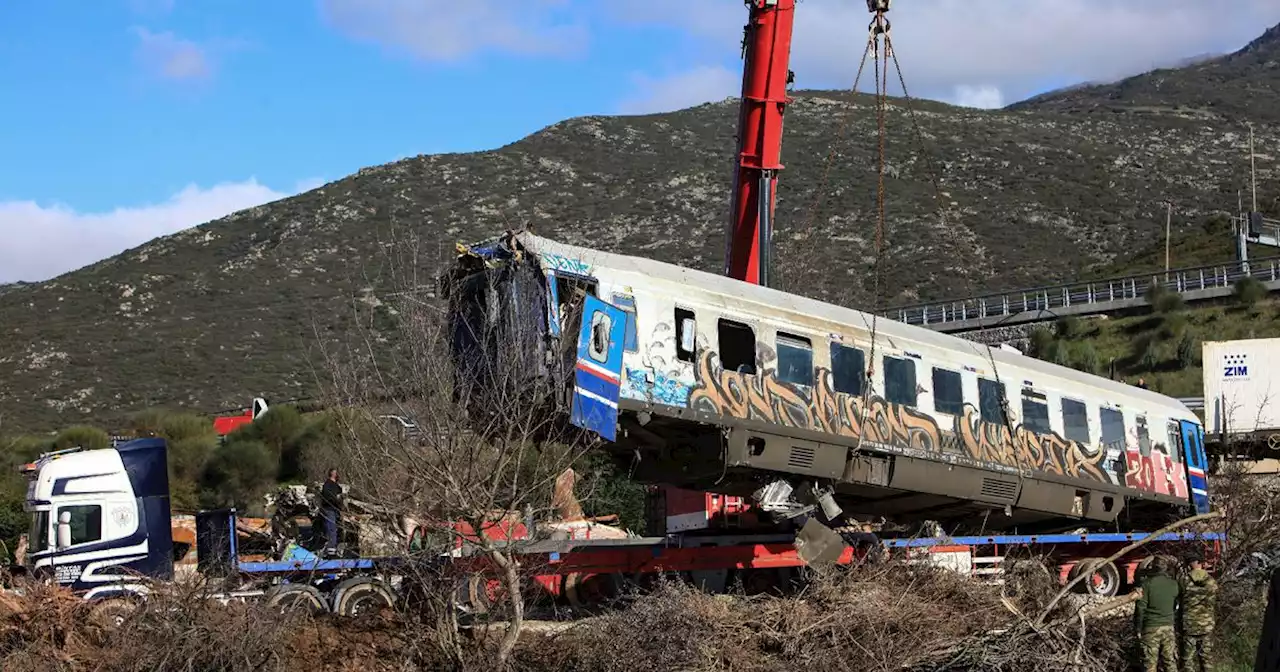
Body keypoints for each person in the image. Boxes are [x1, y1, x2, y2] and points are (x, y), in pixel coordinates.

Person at [1135, 556, 1181, 672]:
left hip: (1150, 628)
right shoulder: (1173, 584)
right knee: (1170, 661)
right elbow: (1177, 604)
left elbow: (1140, 609)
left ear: (1153, 568)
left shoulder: (1146, 584)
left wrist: (1138, 628)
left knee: (1150, 664)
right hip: (1168, 627)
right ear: (1166, 568)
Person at [1180, 554, 1218, 672]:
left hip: (1189, 624)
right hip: (1206, 625)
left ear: (1188, 565)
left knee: (1187, 660)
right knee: (1206, 658)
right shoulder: (1210, 580)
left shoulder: (1183, 580)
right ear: (1201, 563)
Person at [319, 469, 344, 555]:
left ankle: (334, 546)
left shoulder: (336, 486)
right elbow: (328, 497)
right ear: (333, 474)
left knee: (336, 529)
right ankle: (331, 548)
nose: (338, 475)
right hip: (329, 509)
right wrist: (336, 499)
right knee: (331, 528)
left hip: (335, 510)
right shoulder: (328, 485)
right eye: (336, 473)